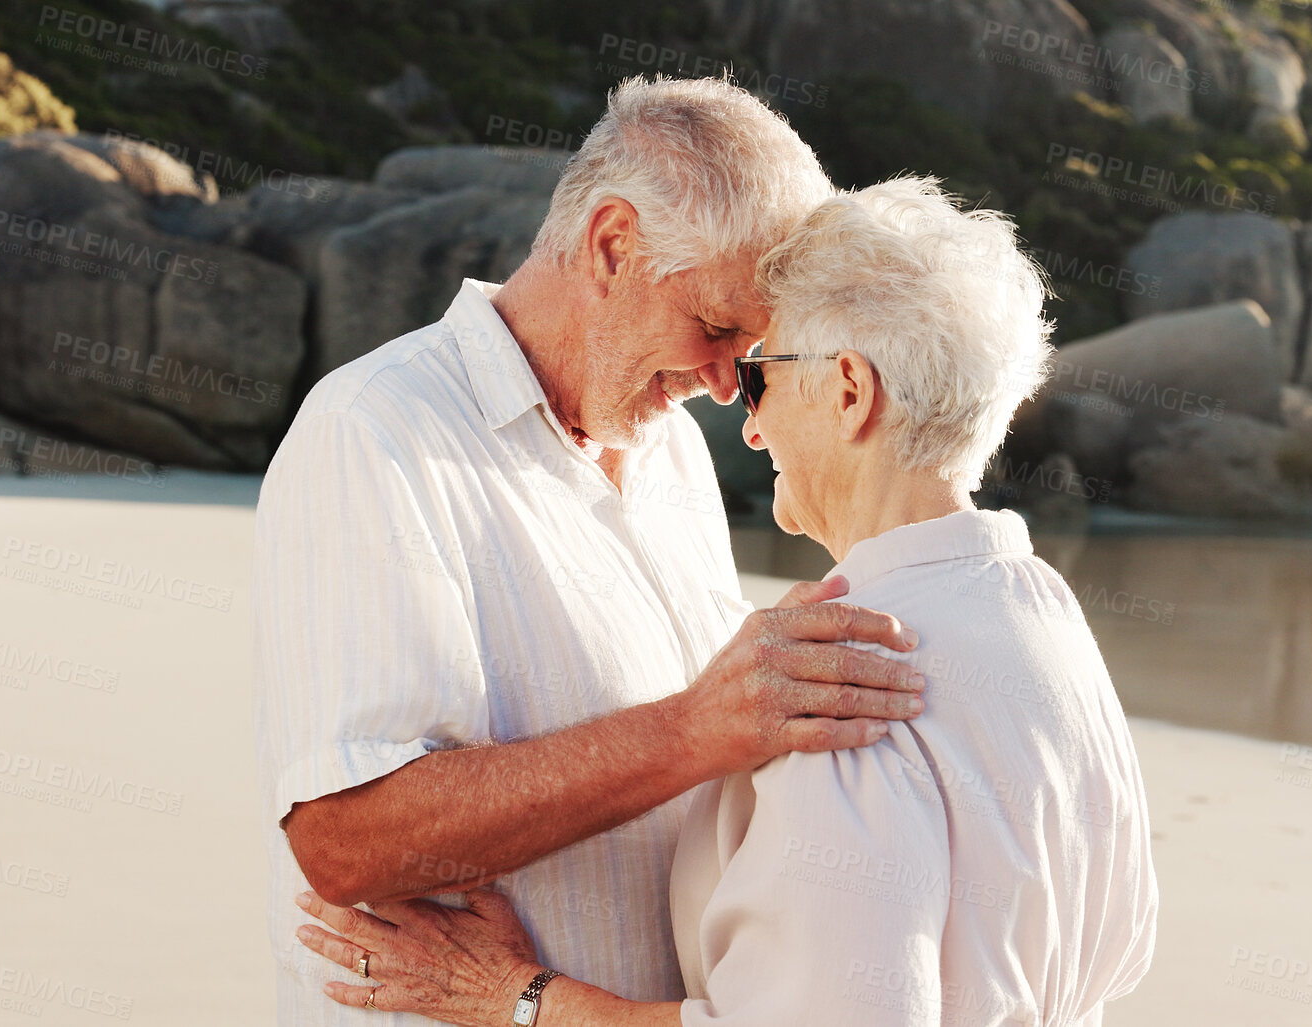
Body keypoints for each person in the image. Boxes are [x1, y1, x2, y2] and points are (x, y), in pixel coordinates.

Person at [292, 177, 1161, 1025]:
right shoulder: (1046, 624)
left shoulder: (836, 684)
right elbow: (1121, 948)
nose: (743, 422)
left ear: (848, 391)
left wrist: (519, 999)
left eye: (758, 378)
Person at [253, 78, 932, 1026]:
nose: (723, 383)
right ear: (613, 244)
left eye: (747, 352)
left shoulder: (674, 453)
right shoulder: (375, 430)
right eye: (715, 328)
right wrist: (696, 728)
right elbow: (344, 838)